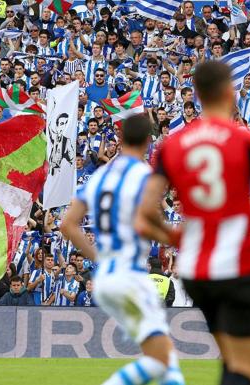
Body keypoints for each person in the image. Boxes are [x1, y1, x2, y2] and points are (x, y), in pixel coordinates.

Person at [135, 61, 250, 385]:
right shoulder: (247, 139)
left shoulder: (171, 144)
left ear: (197, 94)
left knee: (230, 357)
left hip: (195, 269)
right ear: (229, 91)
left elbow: (145, 212)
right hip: (237, 264)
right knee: (247, 366)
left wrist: (174, 235)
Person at [61, 114, 185, 385]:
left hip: (106, 278)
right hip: (129, 276)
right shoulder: (142, 176)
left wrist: (99, 260)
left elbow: (68, 225)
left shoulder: (99, 177)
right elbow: (147, 222)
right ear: (148, 141)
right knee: (164, 359)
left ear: (119, 139)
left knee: (162, 359)